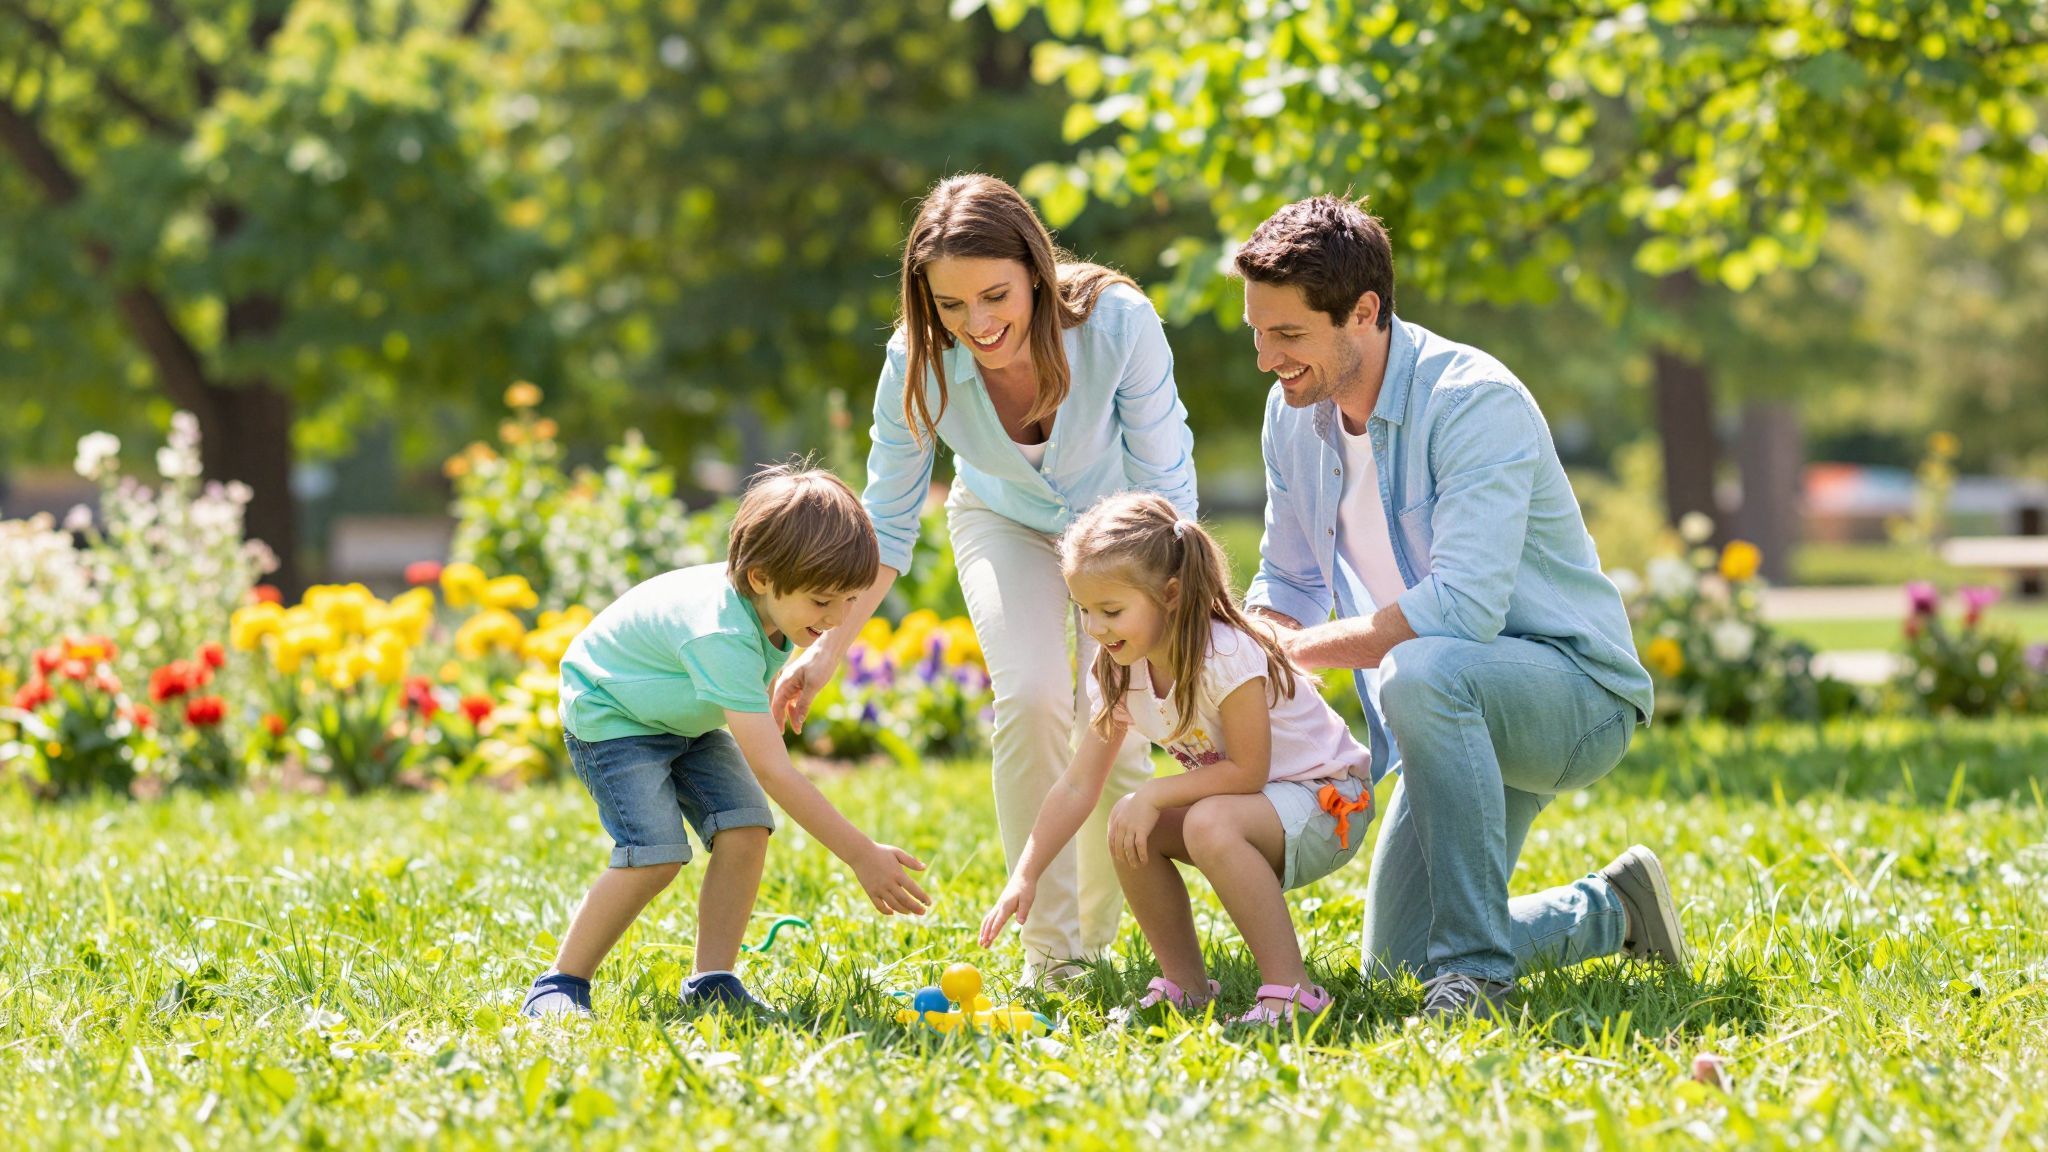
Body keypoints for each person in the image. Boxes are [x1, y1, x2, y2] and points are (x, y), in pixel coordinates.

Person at [1236, 195, 1683, 1021]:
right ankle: (1616, 910)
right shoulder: (1292, 417)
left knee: (1424, 666)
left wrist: (1299, 654)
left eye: (1288, 335)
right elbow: (1289, 581)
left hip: (1571, 695)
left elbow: (1464, 608)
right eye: (1257, 332)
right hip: (1442, 706)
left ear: (1363, 313)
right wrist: (1237, 652)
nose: (1266, 358)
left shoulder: (1474, 400)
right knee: (1397, 964)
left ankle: (1478, 977)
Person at [772, 174, 1199, 985]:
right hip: (1003, 522)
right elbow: (888, 519)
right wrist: (828, 648)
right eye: (951, 306)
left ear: (1037, 269)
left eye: (995, 295)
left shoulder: (1117, 323)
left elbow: (1167, 483)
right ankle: (1055, 954)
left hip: (1126, 528)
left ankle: (1105, 939)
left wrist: (1166, 613)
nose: (978, 324)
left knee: (1118, 727)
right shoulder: (916, 363)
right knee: (1035, 695)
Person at [521, 465, 930, 1018]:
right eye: (823, 601)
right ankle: (561, 983)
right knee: (655, 856)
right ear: (762, 578)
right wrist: (861, 855)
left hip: (678, 715)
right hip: (614, 714)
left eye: (851, 601)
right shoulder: (721, 633)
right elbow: (774, 769)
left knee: (745, 827)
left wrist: (767, 696)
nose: (836, 619)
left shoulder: (777, 608)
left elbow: (742, 686)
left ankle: (712, 981)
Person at [978, 493, 1374, 1023]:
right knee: (1128, 824)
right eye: (1084, 610)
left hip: (1330, 802)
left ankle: (1292, 993)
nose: (1095, 628)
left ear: (1169, 594)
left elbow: (1248, 771)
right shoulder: (1121, 669)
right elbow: (1078, 785)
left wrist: (1154, 792)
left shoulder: (1224, 654)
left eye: (1111, 611)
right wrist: (1026, 873)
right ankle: (1185, 985)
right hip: (1260, 809)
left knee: (1200, 820)